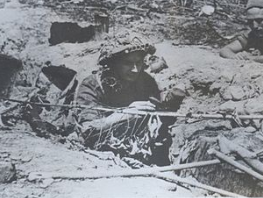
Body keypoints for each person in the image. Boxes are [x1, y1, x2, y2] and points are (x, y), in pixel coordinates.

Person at [66, 32, 182, 165]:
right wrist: (126, 114)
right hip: (98, 152)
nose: (135, 69)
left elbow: (160, 121)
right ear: (113, 63)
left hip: (138, 149)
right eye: (127, 63)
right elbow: (88, 130)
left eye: (138, 62)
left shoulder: (146, 81)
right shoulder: (93, 85)